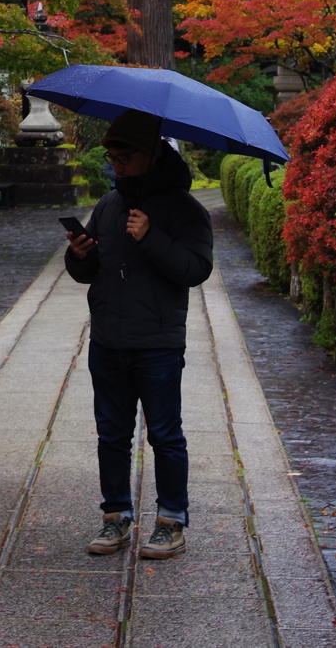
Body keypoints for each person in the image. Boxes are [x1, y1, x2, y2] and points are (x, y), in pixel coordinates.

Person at [64, 110, 213, 560]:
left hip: (157, 343)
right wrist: (80, 254)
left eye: (124, 155)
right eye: (111, 156)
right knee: (111, 434)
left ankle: (171, 521)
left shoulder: (186, 209)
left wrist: (151, 237)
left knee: (165, 435)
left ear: (151, 154)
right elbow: (88, 272)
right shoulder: (110, 204)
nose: (116, 163)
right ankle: (116, 517)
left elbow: (195, 270)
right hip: (108, 339)